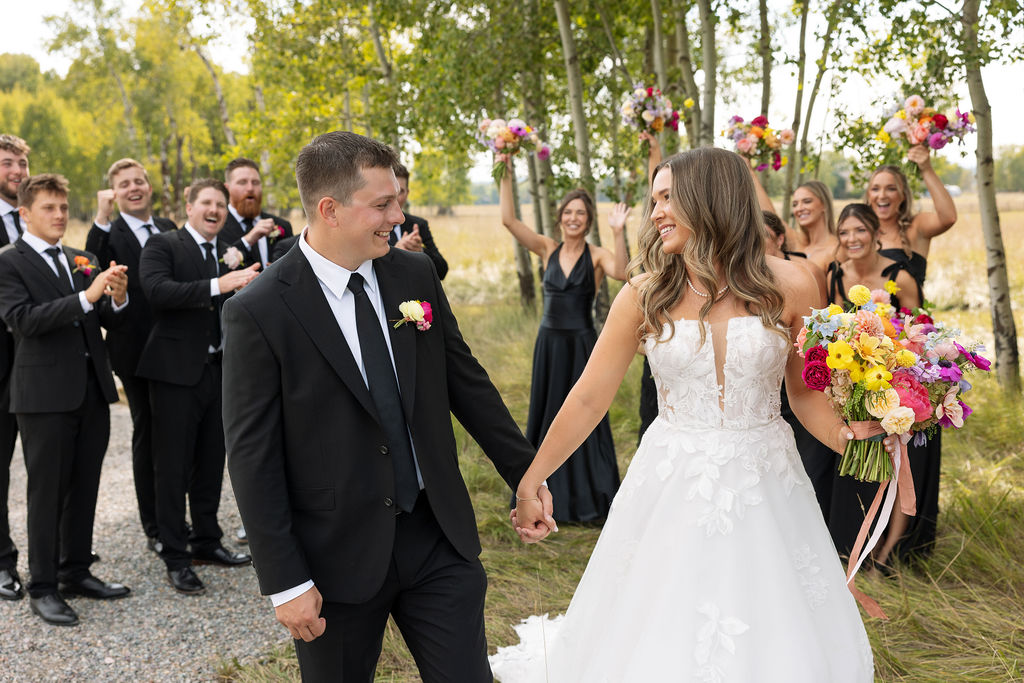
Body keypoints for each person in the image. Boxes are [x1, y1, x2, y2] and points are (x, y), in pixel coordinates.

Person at [491, 148, 885, 681]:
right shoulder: (644, 293)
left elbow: (805, 395)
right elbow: (589, 397)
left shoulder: (794, 283)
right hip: (673, 476)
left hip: (767, 477)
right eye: (654, 200)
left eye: (666, 198)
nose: (654, 213)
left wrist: (851, 437)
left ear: (712, 198)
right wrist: (532, 478)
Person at [222, 131, 550, 682]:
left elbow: (466, 382)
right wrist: (286, 581)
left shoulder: (412, 274)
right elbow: (252, 457)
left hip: (436, 534)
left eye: (397, 200)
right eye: (383, 204)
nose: (398, 216)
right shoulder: (258, 311)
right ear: (329, 209)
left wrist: (527, 474)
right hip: (334, 558)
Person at [0, 173, 131, 626]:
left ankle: (76, 571)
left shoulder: (83, 257)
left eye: (63, 207)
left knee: (85, 485)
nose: (59, 216)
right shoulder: (8, 262)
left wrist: (116, 297)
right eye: (49, 208)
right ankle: (43, 585)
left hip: (92, 389)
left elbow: (103, 315)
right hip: (42, 397)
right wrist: (86, 296)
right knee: (47, 492)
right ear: (25, 214)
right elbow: (23, 321)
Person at [137, 179, 258, 595]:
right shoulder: (163, 246)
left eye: (220, 205)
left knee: (211, 461)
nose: (214, 210)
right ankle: (176, 554)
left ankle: (208, 542)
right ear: (188, 207)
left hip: (219, 370)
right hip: (173, 373)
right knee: (171, 466)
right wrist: (218, 285)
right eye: (206, 203)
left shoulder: (226, 250)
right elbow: (156, 292)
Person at [496, 154, 627, 522]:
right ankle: (539, 493)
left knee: (584, 417)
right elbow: (508, 220)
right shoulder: (547, 249)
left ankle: (587, 496)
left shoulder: (597, 255)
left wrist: (618, 232)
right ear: (560, 218)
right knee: (547, 415)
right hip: (549, 347)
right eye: (568, 212)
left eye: (580, 214)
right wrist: (503, 168)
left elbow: (621, 271)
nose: (573, 218)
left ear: (588, 221)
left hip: (583, 346)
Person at [825, 203, 930, 569]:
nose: (852, 239)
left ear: (875, 233)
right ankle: (858, 548)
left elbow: (922, 329)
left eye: (859, 230)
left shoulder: (899, 276)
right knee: (865, 464)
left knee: (902, 465)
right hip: (856, 384)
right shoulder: (835, 275)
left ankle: (888, 555)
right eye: (844, 232)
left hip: (899, 379)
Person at [85, 158, 177, 554]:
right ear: (114, 193)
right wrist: (101, 218)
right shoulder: (109, 233)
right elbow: (89, 264)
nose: (134, 188)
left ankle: (176, 517)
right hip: (133, 350)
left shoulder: (170, 229)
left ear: (150, 187)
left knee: (176, 435)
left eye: (139, 181)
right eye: (124, 184)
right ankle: (154, 525)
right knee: (149, 433)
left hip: (177, 349)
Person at [0, 133, 29, 600]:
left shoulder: (36, 220)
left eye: (22, 164)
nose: (17, 172)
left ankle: (62, 556)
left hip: (38, 362)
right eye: (7, 164)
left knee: (47, 465)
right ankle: (2, 561)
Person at [866, 145, 957, 287]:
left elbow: (948, 217)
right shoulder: (859, 234)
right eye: (875, 189)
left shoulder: (916, 227)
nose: (882, 195)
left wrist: (926, 169)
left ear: (903, 195)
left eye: (891, 189)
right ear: (868, 195)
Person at [220, 157, 294, 269]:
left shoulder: (282, 226)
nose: (250, 188)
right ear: (227, 188)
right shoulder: (217, 228)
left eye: (255, 182)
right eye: (242, 182)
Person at [392, 162, 448, 279]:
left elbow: (442, 271)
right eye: (392, 190)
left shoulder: (419, 225)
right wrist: (395, 252)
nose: (395, 197)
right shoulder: (372, 226)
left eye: (400, 191)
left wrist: (421, 251)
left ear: (407, 193)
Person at [790, 180, 840, 272]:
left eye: (807, 201)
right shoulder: (798, 245)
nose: (799, 208)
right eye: (795, 204)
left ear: (824, 205)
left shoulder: (836, 249)